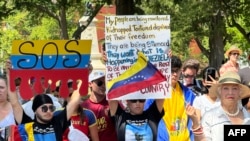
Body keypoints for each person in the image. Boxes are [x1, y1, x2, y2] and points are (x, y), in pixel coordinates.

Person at [5, 59, 82, 141]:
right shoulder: (27, 124)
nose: (48, 111)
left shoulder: (58, 122)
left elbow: (74, 102)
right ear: (35, 110)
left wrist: (84, 76)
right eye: (44, 108)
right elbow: (14, 103)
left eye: (51, 108)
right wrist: (9, 75)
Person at [145, 55, 197, 141]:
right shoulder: (154, 93)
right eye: (171, 71)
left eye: (177, 71)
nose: (175, 74)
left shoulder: (189, 94)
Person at [187, 71, 250, 141]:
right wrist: (195, 122)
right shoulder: (210, 117)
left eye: (234, 88)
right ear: (220, 92)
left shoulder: (247, 117)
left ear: (240, 92)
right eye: (226, 88)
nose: (230, 92)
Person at [81, 70, 118, 141]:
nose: (103, 86)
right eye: (100, 83)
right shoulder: (82, 107)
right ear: (90, 84)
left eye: (105, 83)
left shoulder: (112, 103)